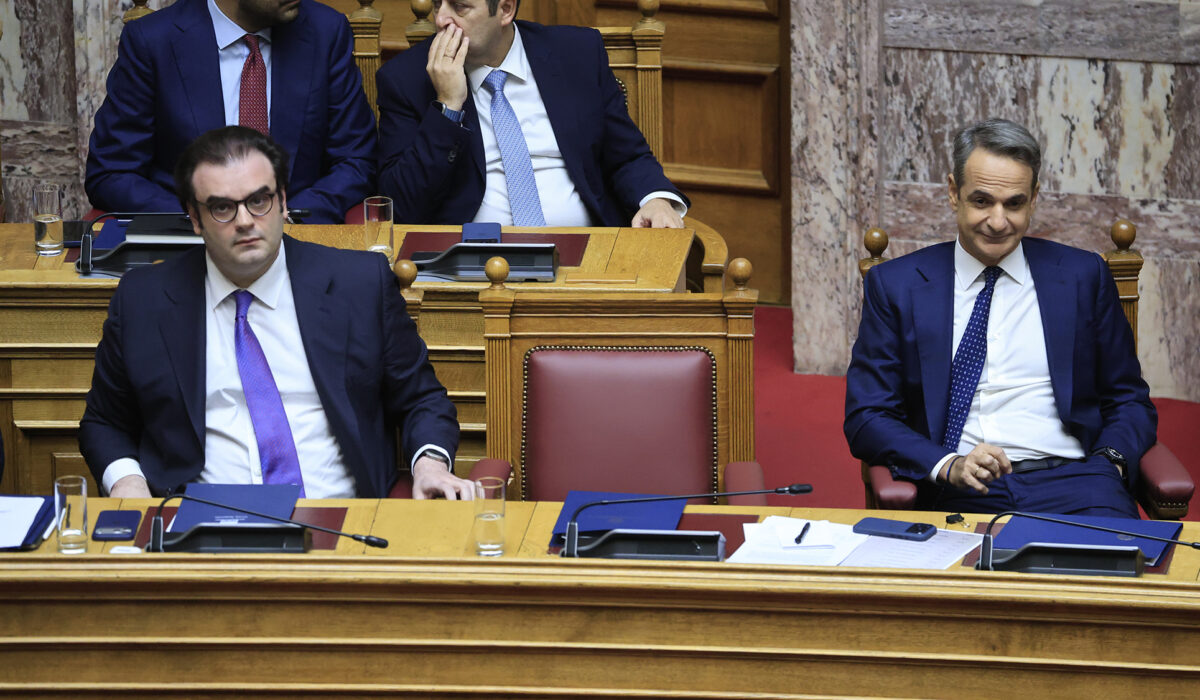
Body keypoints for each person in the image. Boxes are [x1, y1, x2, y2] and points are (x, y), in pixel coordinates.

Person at [79, 126, 471, 501]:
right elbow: (105, 422)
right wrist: (127, 482)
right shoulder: (144, 300)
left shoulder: (359, 284)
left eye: (259, 200)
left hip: (341, 516)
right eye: (222, 208)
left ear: (283, 202)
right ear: (194, 219)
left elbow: (422, 399)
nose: (245, 221)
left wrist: (430, 464)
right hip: (201, 523)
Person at [843, 118, 1156, 517]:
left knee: (1118, 558)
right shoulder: (897, 286)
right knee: (971, 560)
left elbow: (1128, 398)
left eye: (1014, 203)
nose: (997, 221)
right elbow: (867, 416)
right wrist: (948, 465)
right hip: (961, 487)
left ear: (1034, 198)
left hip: (1078, 483)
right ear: (953, 192)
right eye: (981, 201)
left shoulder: (1082, 276)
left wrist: (1111, 462)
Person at [375, 0, 688, 228]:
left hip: (587, 255)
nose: (442, 19)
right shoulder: (406, 79)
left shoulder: (576, 53)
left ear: (505, 9)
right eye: (437, 3)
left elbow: (626, 157)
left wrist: (655, 200)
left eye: (460, 7)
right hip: (470, 265)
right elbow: (401, 207)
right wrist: (447, 107)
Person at [85, 0, 375, 224]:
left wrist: (289, 217)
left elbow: (357, 160)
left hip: (298, 243)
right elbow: (111, 171)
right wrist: (204, 218)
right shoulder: (153, 41)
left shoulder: (326, 32)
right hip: (188, 249)